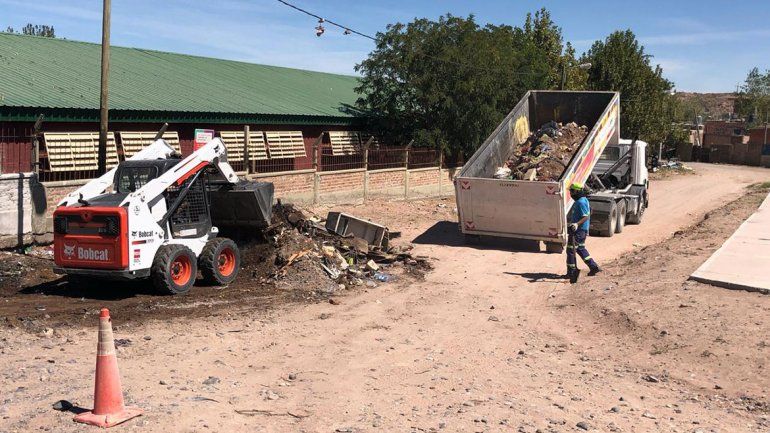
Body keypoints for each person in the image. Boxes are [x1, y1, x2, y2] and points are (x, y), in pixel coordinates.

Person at [566, 182, 601, 283]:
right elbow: (590, 211)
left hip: (578, 230)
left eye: (572, 191)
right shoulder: (583, 200)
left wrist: (576, 224)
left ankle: (572, 272)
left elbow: (586, 215)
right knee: (580, 248)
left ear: (577, 191)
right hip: (581, 230)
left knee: (571, 250)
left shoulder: (580, 202)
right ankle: (593, 267)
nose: (571, 193)